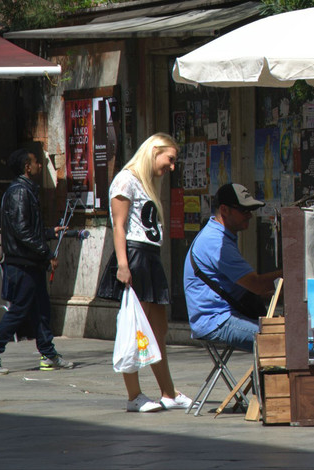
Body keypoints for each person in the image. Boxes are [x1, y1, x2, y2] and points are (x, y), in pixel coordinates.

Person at [96, 133, 192, 413]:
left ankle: (169, 392)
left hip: (150, 256)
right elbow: (119, 226)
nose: (172, 167)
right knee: (136, 329)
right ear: (154, 151)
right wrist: (123, 265)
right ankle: (133, 395)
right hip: (135, 256)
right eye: (170, 159)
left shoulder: (146, 182)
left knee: (157, 331)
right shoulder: (126, 179)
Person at [0, 149, 72, 375]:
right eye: (36, 162)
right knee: (19, 310)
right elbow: (21, 230)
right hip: (22, 263)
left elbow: (28, 228)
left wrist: (49, 232)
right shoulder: (20, 192)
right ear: (27, 167)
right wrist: (47, 253)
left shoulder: (26, 190)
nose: (39, 165)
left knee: (41, 310)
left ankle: (48, 354)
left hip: (30, 261)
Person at [184, 183, 282, 353]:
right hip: (216, 321)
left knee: (285, 332)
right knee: (279, 341)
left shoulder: (221, 235)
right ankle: (264, 380)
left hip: (224, 314)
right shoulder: (216, 242)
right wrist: (294, 271)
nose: (250, 216)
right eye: (244, 211)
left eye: (250, 210)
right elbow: (256, 285)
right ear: (225, 210)